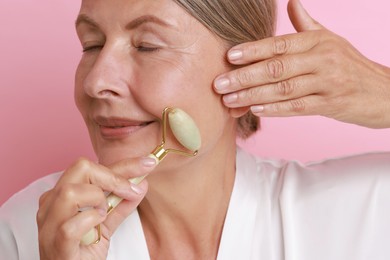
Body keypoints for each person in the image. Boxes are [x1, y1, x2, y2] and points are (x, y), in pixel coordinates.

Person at [1, 0, 389, 259]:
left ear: (247, 68)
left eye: (147, 46)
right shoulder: (26, 228)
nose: (96, 81)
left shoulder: (362, 208)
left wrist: (381, 91)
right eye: (91, 45)